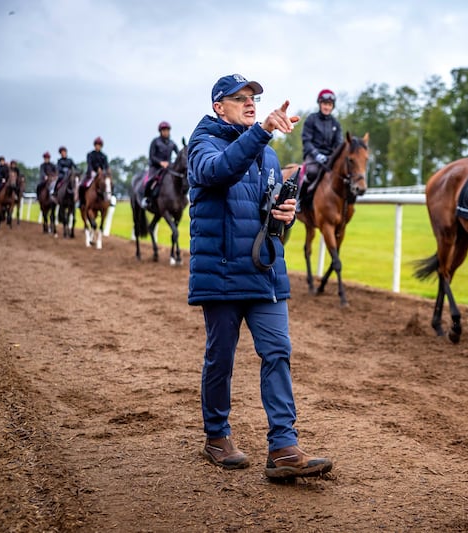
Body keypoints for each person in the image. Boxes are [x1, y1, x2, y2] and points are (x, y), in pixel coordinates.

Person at [188, 73, 333, 478]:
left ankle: (284, 447)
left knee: (277, 353)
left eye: (253, 98)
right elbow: (220, 171)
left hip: (264, 271)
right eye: (240, 98)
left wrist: (284, 214)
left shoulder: (266, 154)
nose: (250, 103)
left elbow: (266, 208)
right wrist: (264, 131)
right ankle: (216, 436)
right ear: (219, 106)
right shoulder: (203, 144)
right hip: (219, 274)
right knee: (221, 358)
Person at [297, 88, 343, 211]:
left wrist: (333, 157)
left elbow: (338, 144)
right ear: (320, 104)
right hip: (313, 156)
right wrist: (316, 154)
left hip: (329, 157)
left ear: (332, 106)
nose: (327, 107)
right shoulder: (311, 119)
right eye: (324, 104)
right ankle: (299, 200)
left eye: (329, 105)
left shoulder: (335, 124)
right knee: (312, 172)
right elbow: (306, 141)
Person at [142, 121, 179, 209]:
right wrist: (160, 162)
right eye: (164, 130)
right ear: (160, 131)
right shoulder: (155, 142)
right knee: (149, 181)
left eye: (167, 130)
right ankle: (146, 199)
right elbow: (151, 156)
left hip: (168, 168)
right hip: (155, 167)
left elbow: (178, 154)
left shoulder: (172, 143)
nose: (166, 132)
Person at [81, 137, 109, 202]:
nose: (98, 146)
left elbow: (106, 166)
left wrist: (102, 170)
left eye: (99, 145)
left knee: (109, 184)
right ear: (94, 145)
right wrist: (93, 171)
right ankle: (82, 201)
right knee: (82, 185)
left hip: (101, 174)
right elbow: (89, 164)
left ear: (101, 146)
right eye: (96, 145)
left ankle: (108, 200)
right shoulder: (90, 154)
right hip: (92, 173)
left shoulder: (104, 156)